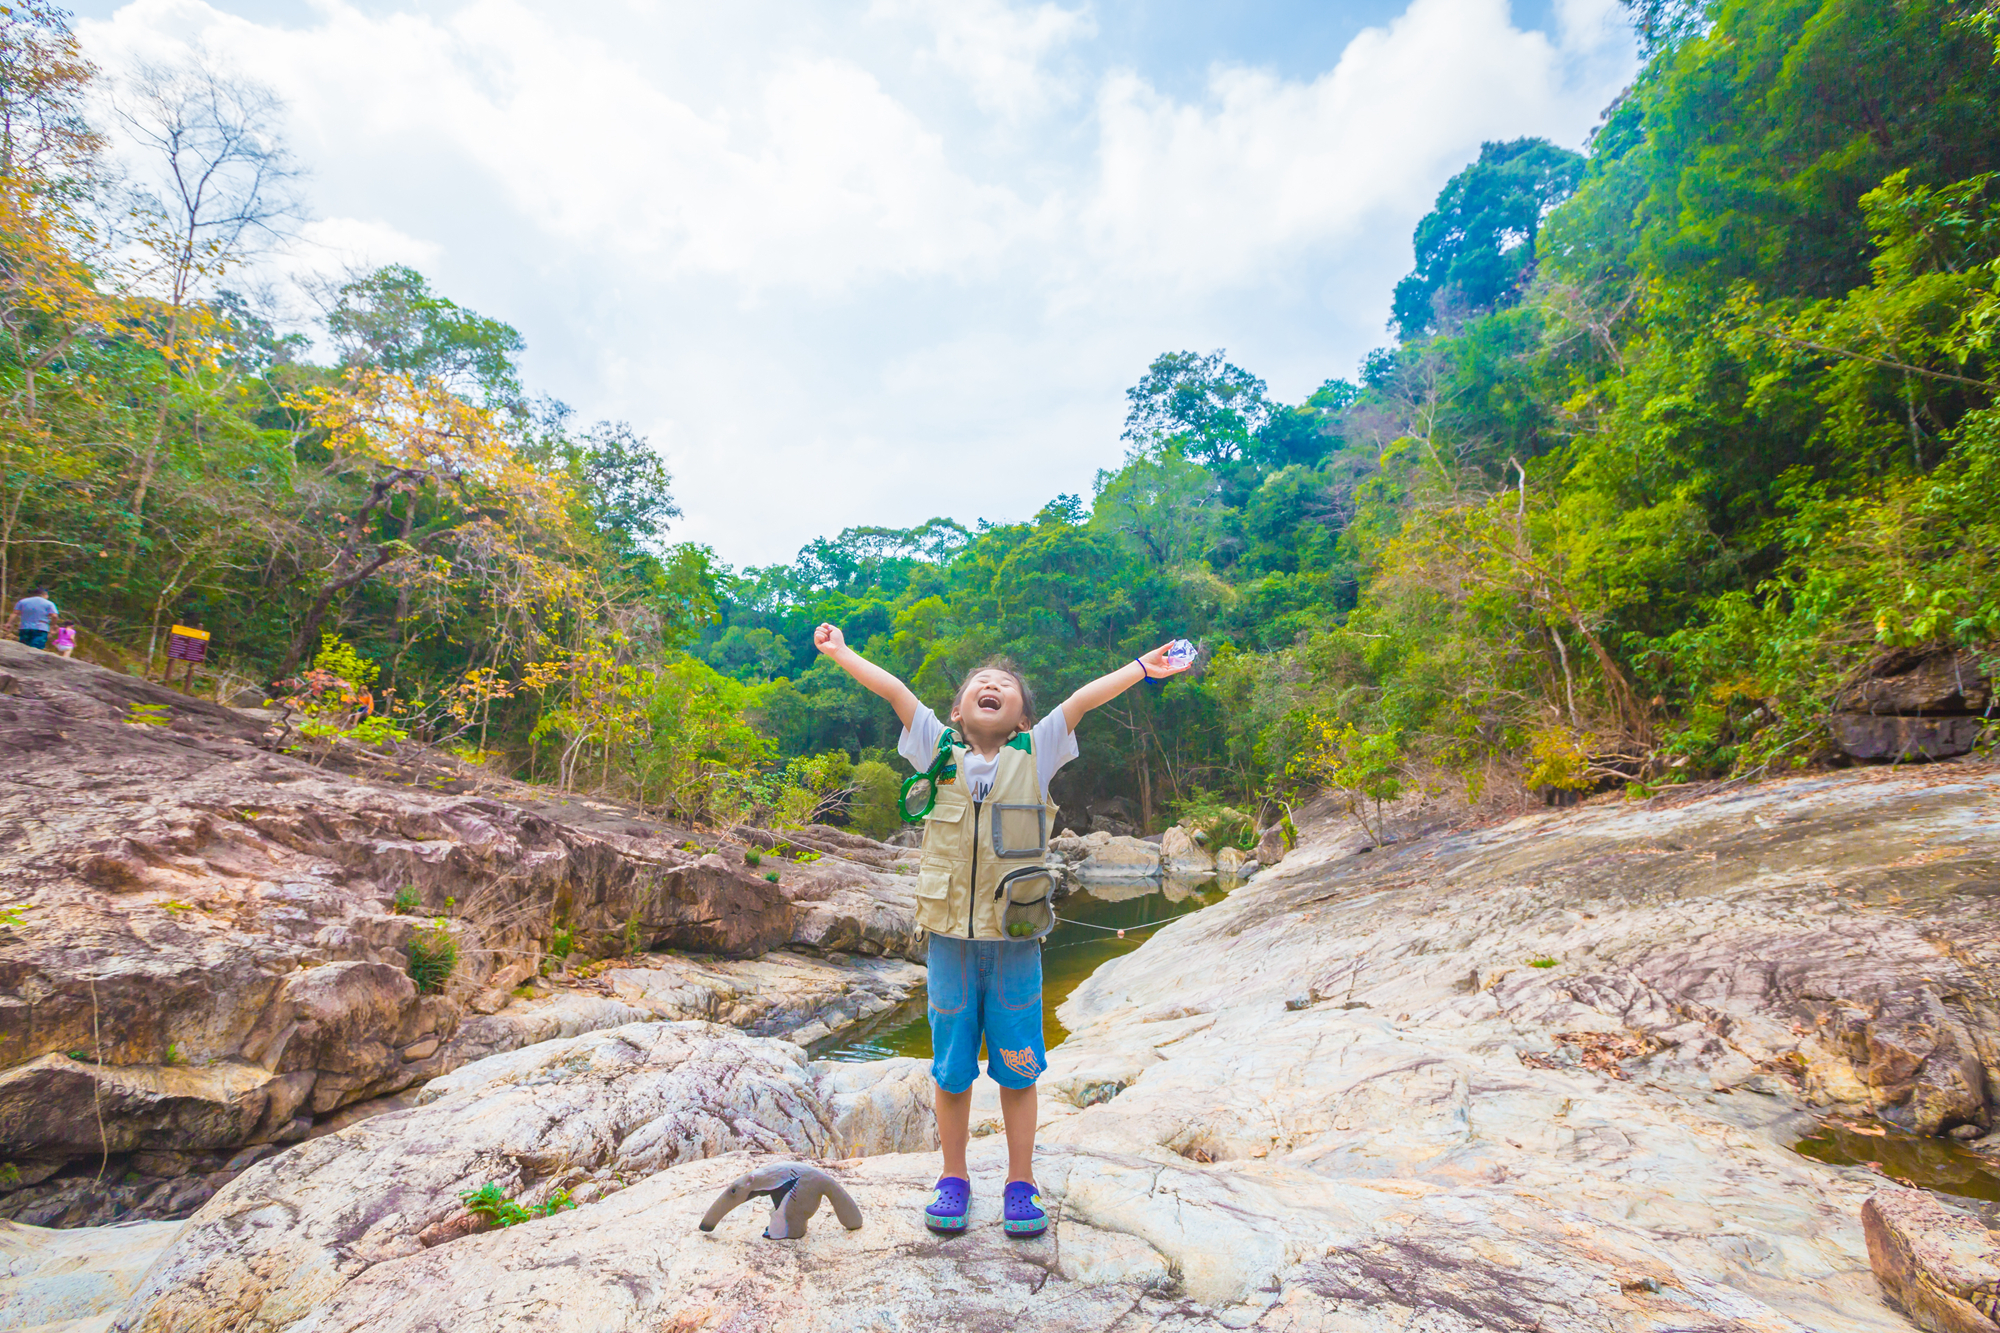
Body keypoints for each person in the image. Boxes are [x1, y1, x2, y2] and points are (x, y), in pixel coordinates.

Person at [813, 623, 1192, 1238]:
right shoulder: (934, 748)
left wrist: (1142, 669)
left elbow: (1083, 701)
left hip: (1015, 943)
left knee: (1018, 1068)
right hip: (949, 947)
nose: (992, 686)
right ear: (958, 710)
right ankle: (953, 1179)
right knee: (951, 1070)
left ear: (1021, 719)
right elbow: (895, 692)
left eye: (1006, 686)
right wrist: (841, 652)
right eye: (979, 685)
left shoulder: (1035, 753)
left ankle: (1021, 1184)